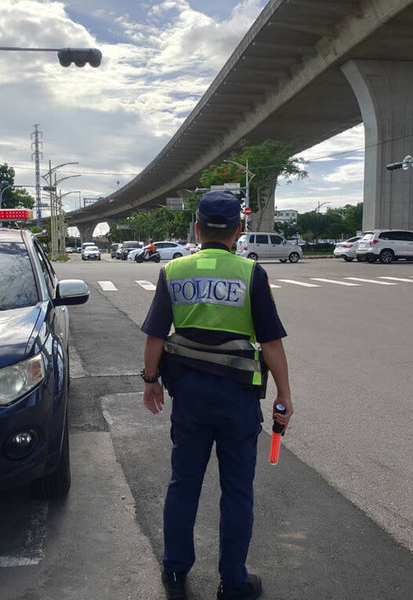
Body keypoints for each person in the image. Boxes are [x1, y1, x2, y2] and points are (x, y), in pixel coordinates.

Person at [140, 190, 293, 600]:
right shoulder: (250, 273)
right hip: (237, 400)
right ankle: (233, 581)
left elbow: (156, 334)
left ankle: (174, 571)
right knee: (238, 490)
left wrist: (150, 379)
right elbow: (271, 342)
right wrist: (284, 395)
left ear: (197, 228)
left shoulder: (174, 271)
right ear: (239, 232)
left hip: (189, 397)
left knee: (183, 484)